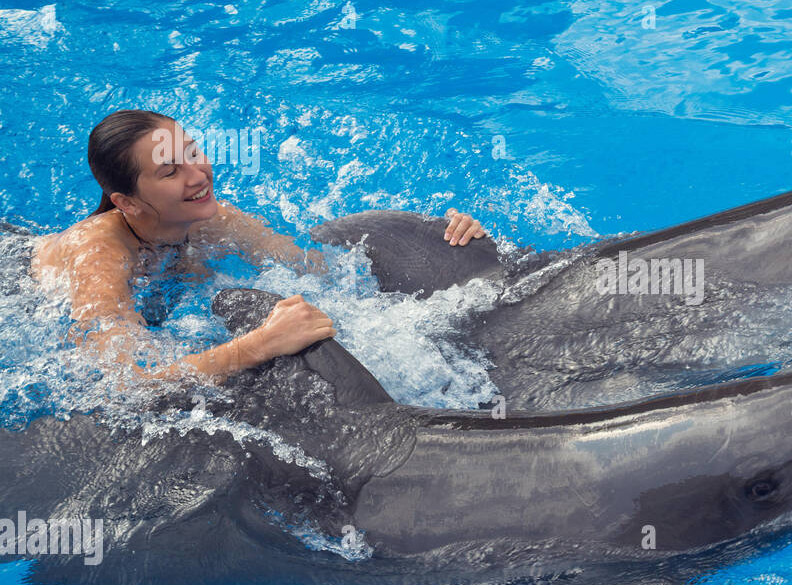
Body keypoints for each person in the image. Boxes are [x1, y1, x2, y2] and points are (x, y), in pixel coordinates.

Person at [28, 108, 487, 384]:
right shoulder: (97, 254)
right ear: (126, 202)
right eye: (170, 172)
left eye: (193, 152)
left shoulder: (214, 220)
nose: (198, 175)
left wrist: (437, 245)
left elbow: (320, 271)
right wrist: (259, 345)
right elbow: (124, 381)